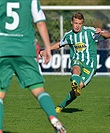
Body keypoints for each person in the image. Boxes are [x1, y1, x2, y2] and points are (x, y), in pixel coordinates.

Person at [0, 1, 66, 133]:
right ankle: (53, 117)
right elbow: (40, 22)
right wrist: (47, 47)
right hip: (25, 49)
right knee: (38, 89)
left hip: (3, 49)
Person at [41, 12, 110, 113]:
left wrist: (102, 32)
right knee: (75, 68)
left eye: (79, 23)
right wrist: (47, 50)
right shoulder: (69, 35)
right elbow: (59, 45)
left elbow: (108, 36)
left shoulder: (90, 32)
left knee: (76, 90)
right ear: (72, 22)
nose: (77, 26)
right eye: (75, 23)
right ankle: (75, 83)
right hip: (77, 60)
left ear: (82, 23)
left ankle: (62, 105)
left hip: (90, 65)